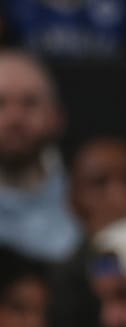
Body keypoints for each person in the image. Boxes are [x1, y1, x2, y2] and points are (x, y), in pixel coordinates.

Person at [0, 52, 78, 261]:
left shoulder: (88, 195)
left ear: (57, 117)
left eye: (30, 103)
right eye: (0, 103)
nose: (15, 118)